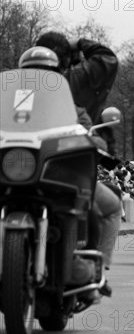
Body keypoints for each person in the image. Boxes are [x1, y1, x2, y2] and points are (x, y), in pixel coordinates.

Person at [29, 33, 120, 297]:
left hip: (21, 171)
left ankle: (85, 268)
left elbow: (89, 131)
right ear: (62, 64)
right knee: (108, 206)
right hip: (58, 174)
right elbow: (107, 60)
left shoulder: (13, 93)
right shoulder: (67, 90)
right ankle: (96, 271)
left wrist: (97, 142)